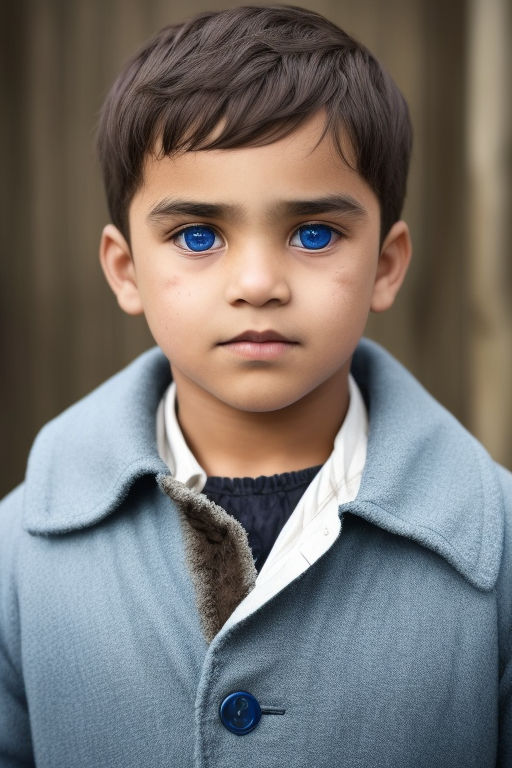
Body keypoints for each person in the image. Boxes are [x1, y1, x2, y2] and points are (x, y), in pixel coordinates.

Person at [0, 5, 510, 767]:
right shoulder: (16, 560)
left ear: (387, 264)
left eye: (314, 234)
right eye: (198, 236)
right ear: (126, 269)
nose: (259, 283)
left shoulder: (498, 548)